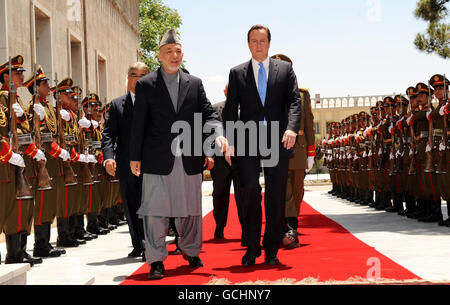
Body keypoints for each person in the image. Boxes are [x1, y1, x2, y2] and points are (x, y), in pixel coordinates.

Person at [129, 29, 228, 280]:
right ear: (160, 56)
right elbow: (138, 123)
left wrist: (217, 134)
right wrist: (134, 156)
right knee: (155, 211)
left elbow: (209, 114)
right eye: (169, 52)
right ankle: (156, 260)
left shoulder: (194, 83)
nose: (174, 56)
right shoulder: (146, 84)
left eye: (178, 51)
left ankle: (191, 250)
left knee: (191, 210)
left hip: (189, 157)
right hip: (156, 159)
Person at [222, 25, 301, 266]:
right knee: (251, 192)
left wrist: (291, 128)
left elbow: (295, 102)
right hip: (248, 140)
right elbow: (229, 111)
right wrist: (231, 141)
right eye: (253, 41)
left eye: (262, 40)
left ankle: (271, 248)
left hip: (278, 140)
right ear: (248, 44)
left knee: (276, 195)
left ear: (269, 43)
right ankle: (252, 246)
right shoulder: (237, 73)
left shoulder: (285, 70)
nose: (258, 45)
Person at [102, 62, 149, 259]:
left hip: (151, 163)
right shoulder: (116, 104)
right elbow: (108, 135)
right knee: (130, 204)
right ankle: (137, 243)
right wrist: (108, 158)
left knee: (150, 204)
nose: (137, 79)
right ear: (128, 78)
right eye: (133, 75)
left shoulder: (155, 102)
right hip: (125, 163)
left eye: (141, 75)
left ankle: (151, 243)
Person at [271, 53, 315, 249]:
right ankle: (290, 229)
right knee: (283, 190)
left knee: (296, 191)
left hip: (298, 148)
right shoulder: (266, 94)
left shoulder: (302, 94)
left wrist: (311, 152)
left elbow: (309, 123)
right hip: (276, 147)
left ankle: (289, 227)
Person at [210, 85, 244, 240]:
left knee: (243, 195)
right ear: (224, 92)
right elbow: (209, 132)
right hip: (219, 160)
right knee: (219, 194)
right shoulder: (215, 109)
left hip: (242, 159)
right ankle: (219, 226)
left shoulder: (248, 109)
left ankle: (246, 228)